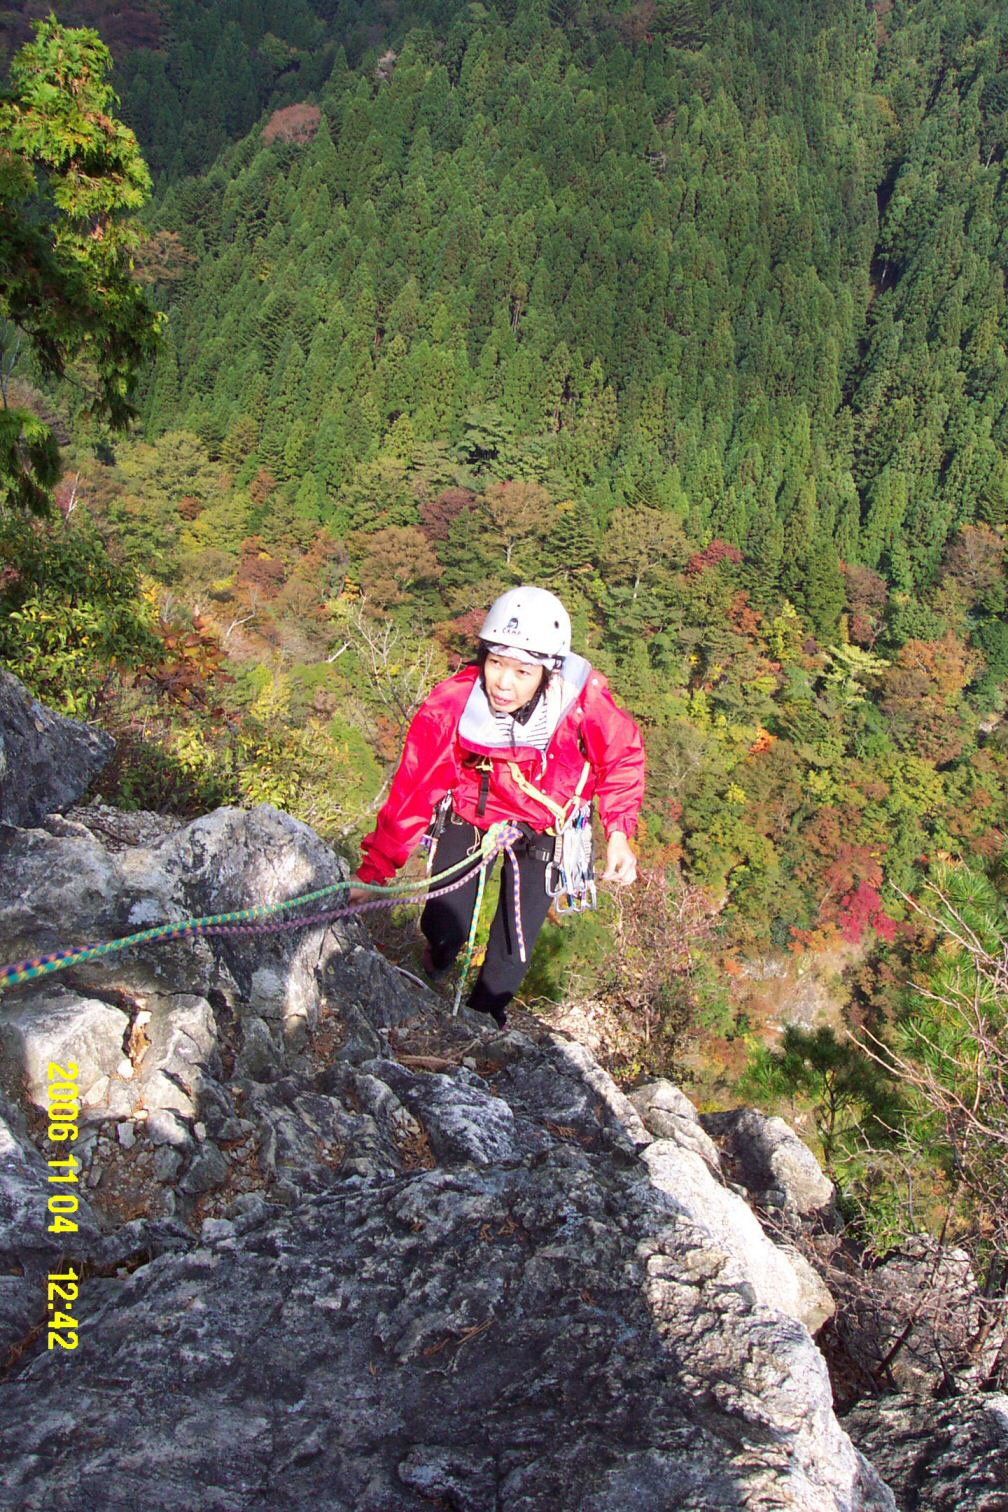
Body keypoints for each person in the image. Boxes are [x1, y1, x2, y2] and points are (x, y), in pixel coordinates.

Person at [353, 586, 646, 1027]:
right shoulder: (455, 702)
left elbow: (622, 757)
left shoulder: (580, 702)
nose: (503, 683)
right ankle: (435, 965)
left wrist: (619, 833)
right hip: (473, 811)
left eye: (522, 671)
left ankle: (483, 1027)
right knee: (444, 924)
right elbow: (415, 787)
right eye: (495, 663)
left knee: (513, 952)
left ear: (548, 672)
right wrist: (373, 873)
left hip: (547, 827)